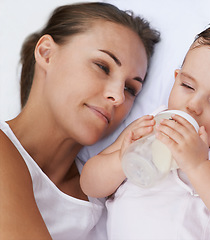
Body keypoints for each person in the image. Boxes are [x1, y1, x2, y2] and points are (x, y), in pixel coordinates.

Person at [80, 22, 210, 239]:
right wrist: (121, 159)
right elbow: (89, 185)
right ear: (176, 78)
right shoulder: (148, 127)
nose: (193, 105)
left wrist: (198, 165)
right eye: (187, 86)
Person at [0, 2, 160, 239]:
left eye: (130, 88)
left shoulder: (113, 197)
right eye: (102, 66)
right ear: (46, 53)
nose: (117, 96)